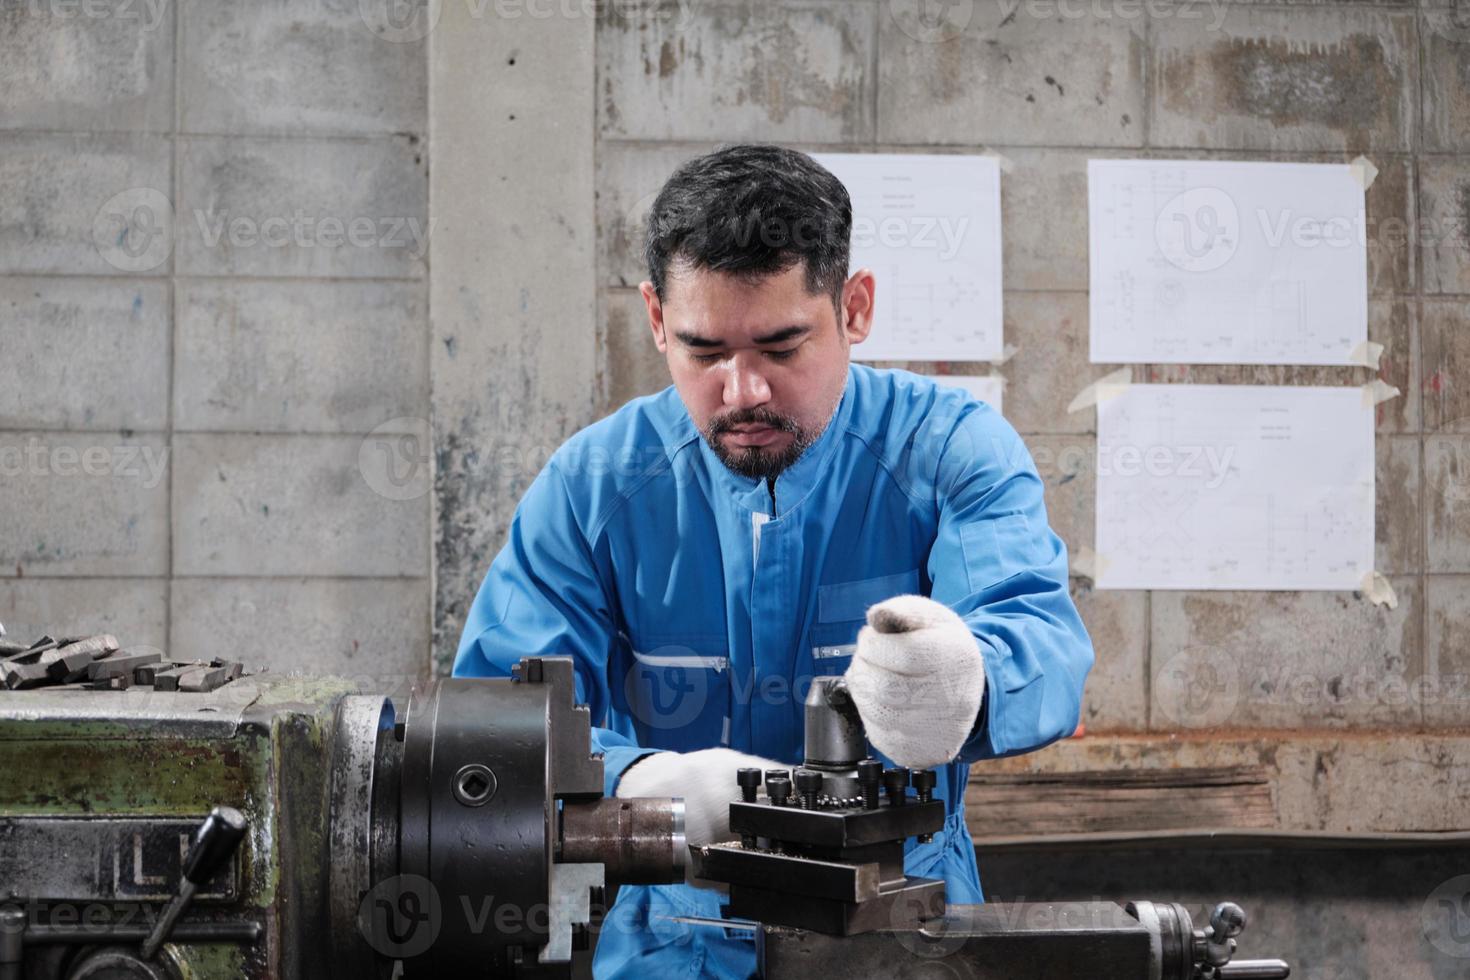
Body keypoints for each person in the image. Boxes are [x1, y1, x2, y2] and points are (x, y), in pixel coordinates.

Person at [454, 143, 1094, 978]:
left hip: (899, 936)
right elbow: (498, 721)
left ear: (854, 307)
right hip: (668, 945)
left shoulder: (949, 453)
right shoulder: (591, 488)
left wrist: (963, 683)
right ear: (654, 316)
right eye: (704, 350)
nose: (742, 390)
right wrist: (653, 779)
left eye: (782, 347)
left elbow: (1040, 642)